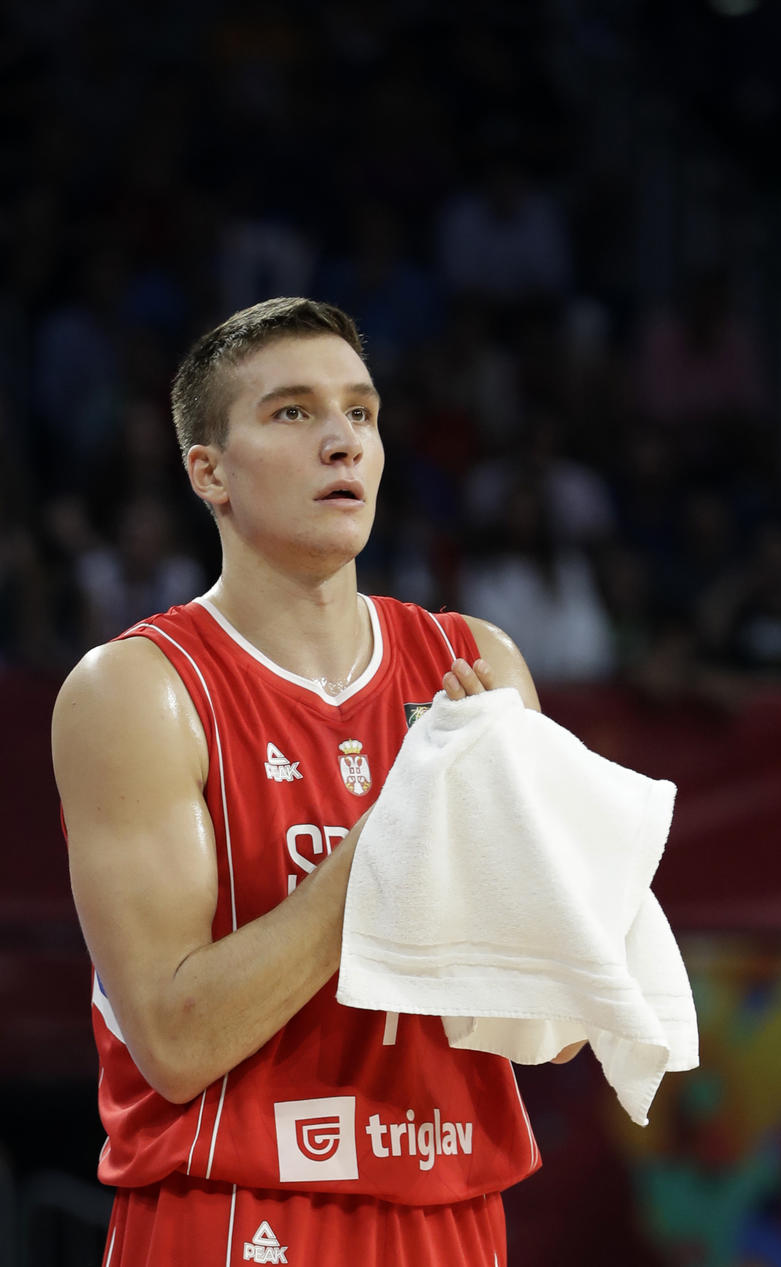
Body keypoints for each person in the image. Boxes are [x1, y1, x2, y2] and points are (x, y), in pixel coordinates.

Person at [51, 297, 582, 1266]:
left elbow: (555, 1027)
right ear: (208, 471)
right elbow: (174, 1043)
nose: (343, 440)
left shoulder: (479, 663)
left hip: (451, 1207)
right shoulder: (137, 689)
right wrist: (390, 841)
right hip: (235, 1207)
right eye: (292, 411)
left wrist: (551, 891)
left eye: (360, 412)